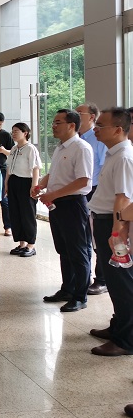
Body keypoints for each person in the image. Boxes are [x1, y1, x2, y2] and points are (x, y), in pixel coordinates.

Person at [35, 109, 93, 313]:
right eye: (53, 122)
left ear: (71, 125)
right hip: (57, 205)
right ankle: (67, 289)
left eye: (58, 122)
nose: (53, 125)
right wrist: (41, 184)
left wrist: (53, 194)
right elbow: (54, 173)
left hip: (73, 204)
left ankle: (80, 296)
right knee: (64, 250)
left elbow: (83, 181)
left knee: (78, 252)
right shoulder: (60, 148)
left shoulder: (81, 148)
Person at [87, 108, 133, 356]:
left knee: (122, 283)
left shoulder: (124, 156)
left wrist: (117, 234)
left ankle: (126, 340)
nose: (95, 129)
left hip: (114, 226)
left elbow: (123, 198)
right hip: (105, 221)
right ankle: (117, 326)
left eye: (101, 125)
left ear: (117, 129)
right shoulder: (113, 153)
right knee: (115, 282)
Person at [77, 103, 109, 296]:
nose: (75, 115)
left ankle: (102, 280)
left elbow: (104, 168)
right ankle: (83, 276)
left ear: (91, 117)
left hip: (95, 190)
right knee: (84, 237)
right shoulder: (77, 139)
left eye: (79, 113)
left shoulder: (99, 139)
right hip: (80, 192)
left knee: (98, 238)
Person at [6, 123, 41, 257]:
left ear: (25, 133)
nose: (13, 134)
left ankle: (31, 245)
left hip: (26, 182)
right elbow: (9, 168)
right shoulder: (14, 148)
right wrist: (6, 184)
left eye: (16, 131)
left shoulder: (30, 148)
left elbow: (35, 168)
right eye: (12, 131)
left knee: (27, 214)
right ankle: (22, 244)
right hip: (14, 181)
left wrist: (34, 186)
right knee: (16, 213)